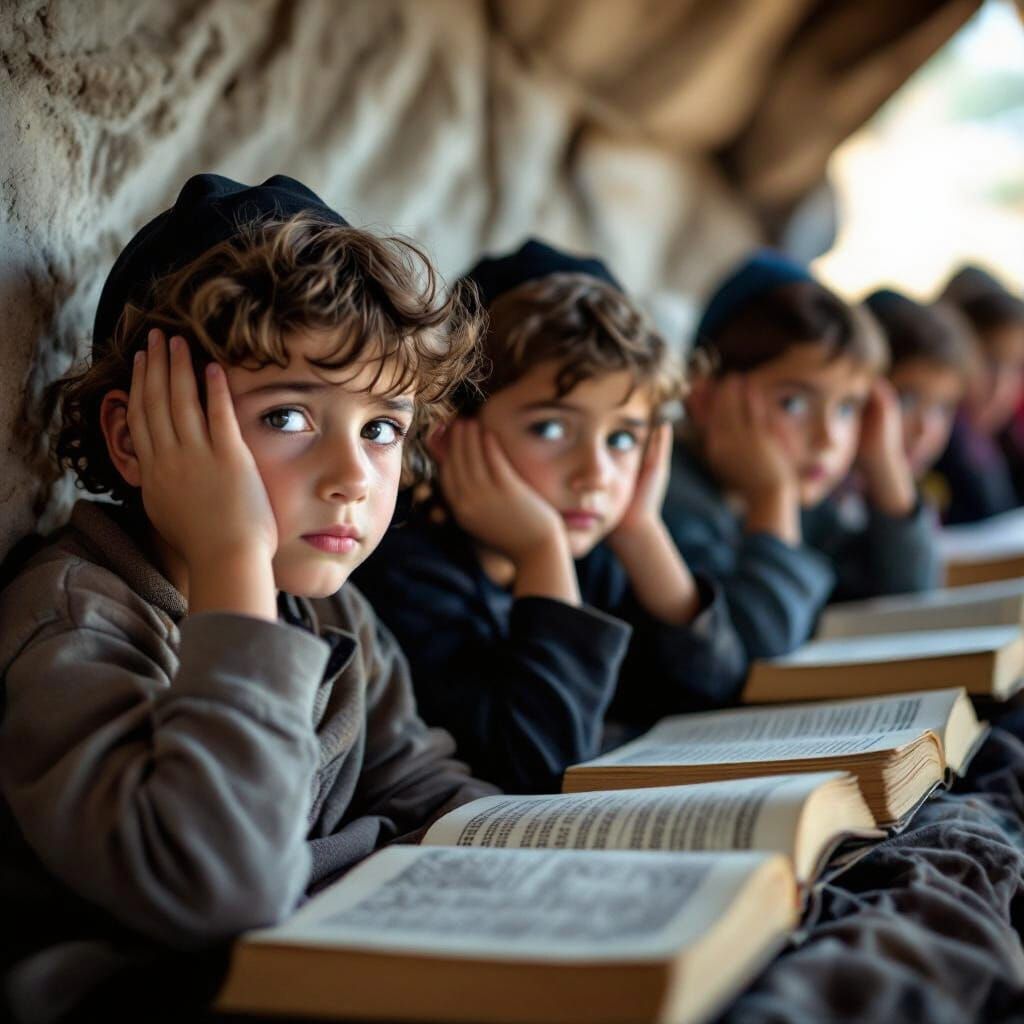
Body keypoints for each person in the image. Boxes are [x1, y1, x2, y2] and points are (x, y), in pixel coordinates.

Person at [0, 174, 495, 1024]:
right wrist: (232, 549)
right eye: (289, 418)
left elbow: (428, 791)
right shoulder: (75, 615)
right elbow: (219, 887)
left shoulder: (334, 611)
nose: (352, 478)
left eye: (382, 427)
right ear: (135, 436)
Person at [353, 239, 746, 794]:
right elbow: (543, 765)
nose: (596, 473)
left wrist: (641, 531)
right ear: (448, 430)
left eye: (622, 438)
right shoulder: (406, 572)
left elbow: (715, 690)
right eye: (551, 429)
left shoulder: (597, 555)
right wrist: (542, 553)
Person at [664, 250, 938, 665]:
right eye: (793, 403)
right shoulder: (674, 502)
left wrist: (885, 468)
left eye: (847, 408)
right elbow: (758, 647)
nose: (828, 437)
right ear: (704, 398)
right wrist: (771, 498)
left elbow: (906, 595)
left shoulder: (810, 506)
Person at [932, 264, 1024, 523]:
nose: (1001, 385)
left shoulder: (1006, 442)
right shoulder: (931, 442)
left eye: (1017, 368)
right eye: (990, 362)